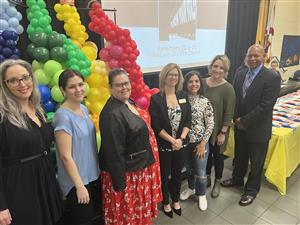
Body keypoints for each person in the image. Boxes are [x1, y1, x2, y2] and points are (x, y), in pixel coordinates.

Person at [0, 59, 63, 225]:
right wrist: (1, 207)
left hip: (44, 182)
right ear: (5, 85)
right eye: (13, 80)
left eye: (25, 77)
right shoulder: (2, 117)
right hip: (18, 187)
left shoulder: (38, 109)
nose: (22, 84)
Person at [99, 69, 162, 225]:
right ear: (110, 88)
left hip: (139, 167)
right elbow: (114, 153)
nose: (124, 88)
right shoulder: (111, 114)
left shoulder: (127, 101)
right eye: (118, 85)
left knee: (138, 213)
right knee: (130, 214)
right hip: (128, 174)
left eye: (126, 83)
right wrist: (121, 186)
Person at [221, 44, 281, 206]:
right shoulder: (240, 73)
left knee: (256, 163)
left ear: (264, 56)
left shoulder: (272, 77)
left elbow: (266, 106)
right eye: (250, 56)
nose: (253, 59)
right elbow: (235, 98)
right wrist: (235, 118)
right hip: (240, 127)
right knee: (240, 157)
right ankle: (237, 179)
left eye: (257, 56)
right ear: (246, 57)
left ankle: (251, 190)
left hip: (258, 129)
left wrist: (243, 121)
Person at [53, 69, 101, 224]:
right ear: (63, 90)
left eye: (81, 84)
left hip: (91, 176)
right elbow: (65, 156)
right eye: (72, 87)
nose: (79, 89)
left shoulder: (84, 109)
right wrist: (79, 186)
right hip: (76, 182)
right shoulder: (62, 116)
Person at [149, 63, 191, 218]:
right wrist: (172, 141)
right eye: (170, 74)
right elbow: (156, 125)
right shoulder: (155, 99)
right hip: (165, 145)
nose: (173, 77)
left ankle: (175, 200)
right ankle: (165, 202)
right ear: (164, 76)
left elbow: (188, 120)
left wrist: (180, 139)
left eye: (176, 75)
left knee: (178, 174)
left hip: (181, 144)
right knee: (165, 175)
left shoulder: (183, 96)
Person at [179, 71, 214, 211]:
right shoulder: (181, 99)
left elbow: (210, 124)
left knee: (200, 171)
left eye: (196, 81)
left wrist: (203, 144)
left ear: (200, 83)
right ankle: (191, 188)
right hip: (185, 143)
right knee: (189, 169)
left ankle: (201, 194)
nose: (194, 84)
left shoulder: (205, 101)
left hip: (200, 143)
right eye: (190, 81)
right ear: (186, 84)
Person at [202, 55, 236, 198]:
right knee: (206, 156)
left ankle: (217, 182)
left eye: (221, 68)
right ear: (211, 67)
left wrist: (223, 133)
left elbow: (229, 113)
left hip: (219, 131)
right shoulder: (202, 82)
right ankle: (208, 178)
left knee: (218, 157)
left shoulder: (228, 88)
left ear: (225, 71)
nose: (217, 69)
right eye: (215, 66)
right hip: (203, 129)